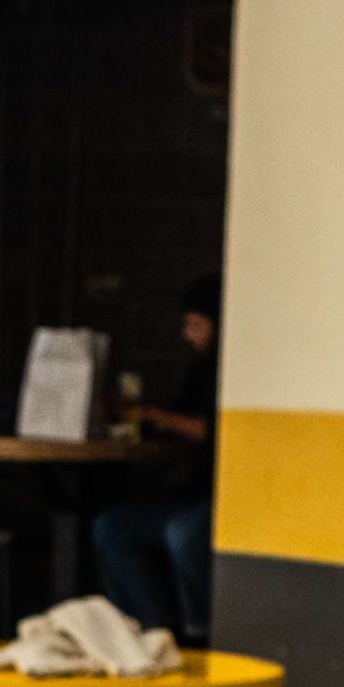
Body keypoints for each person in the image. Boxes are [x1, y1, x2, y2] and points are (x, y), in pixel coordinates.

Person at [90, 270, 218, 643]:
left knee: (183, 535)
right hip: (190, 493)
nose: (187, 334)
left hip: (227, 501)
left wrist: (150, 414)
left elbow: (211, 429)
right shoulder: (199, 370)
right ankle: (151, 633)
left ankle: (198, 636)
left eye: (195, 324)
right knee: (111, 527)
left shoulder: (235, 370)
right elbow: (178, 424)